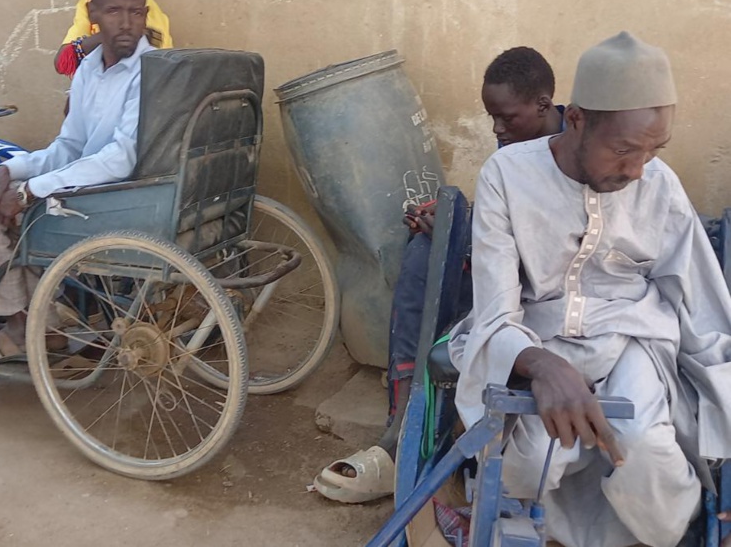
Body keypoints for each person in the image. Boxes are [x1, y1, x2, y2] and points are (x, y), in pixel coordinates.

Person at [450, 31, 731, 547]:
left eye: (652, 150)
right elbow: (495, 308)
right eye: (623, 149)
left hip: (633, 337)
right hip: (540, 336)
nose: (636, 169)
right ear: (577, 118)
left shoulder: (659, 184)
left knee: (646, 449)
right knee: (531, 462)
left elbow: (702, 306)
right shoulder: (506, 176)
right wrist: (542, 365)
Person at [313, 47, 565, 504]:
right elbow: (507, 218)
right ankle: (406, 418)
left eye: (505, 118)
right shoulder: (516, 144)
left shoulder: (568, 153)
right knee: (424, 250)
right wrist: (452, 225)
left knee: (439, 266)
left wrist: (464, 238)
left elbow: (540, 249)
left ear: (544, 105)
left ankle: (413, 429)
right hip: (507, 268)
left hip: (545, 293)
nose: (497, 129)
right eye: (492, 118)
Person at [0, 0, 154, 364]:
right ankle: (41, 321)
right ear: (93, 13)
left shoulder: (152, 71)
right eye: (114, 11)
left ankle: (21, 323)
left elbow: (121, 158)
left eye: (136, 11)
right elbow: (69, 147)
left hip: (120, 199)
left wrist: (30, 191)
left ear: (145, 14)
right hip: (91, 189)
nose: (127, 23)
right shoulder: (89, 69)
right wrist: (11, 171)